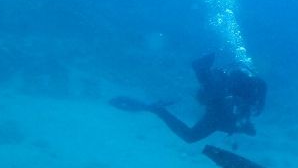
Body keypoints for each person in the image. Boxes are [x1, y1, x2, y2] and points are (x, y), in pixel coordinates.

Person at [110, 53, 267, 142]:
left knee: (212, 98)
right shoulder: (248, 99)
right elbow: (237, 112)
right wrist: (242, 126)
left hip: (219, 104)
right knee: (190, 136)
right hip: (220, 108)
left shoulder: (247, 93)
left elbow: (214, 101)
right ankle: (160, 110)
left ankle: (202, 73)